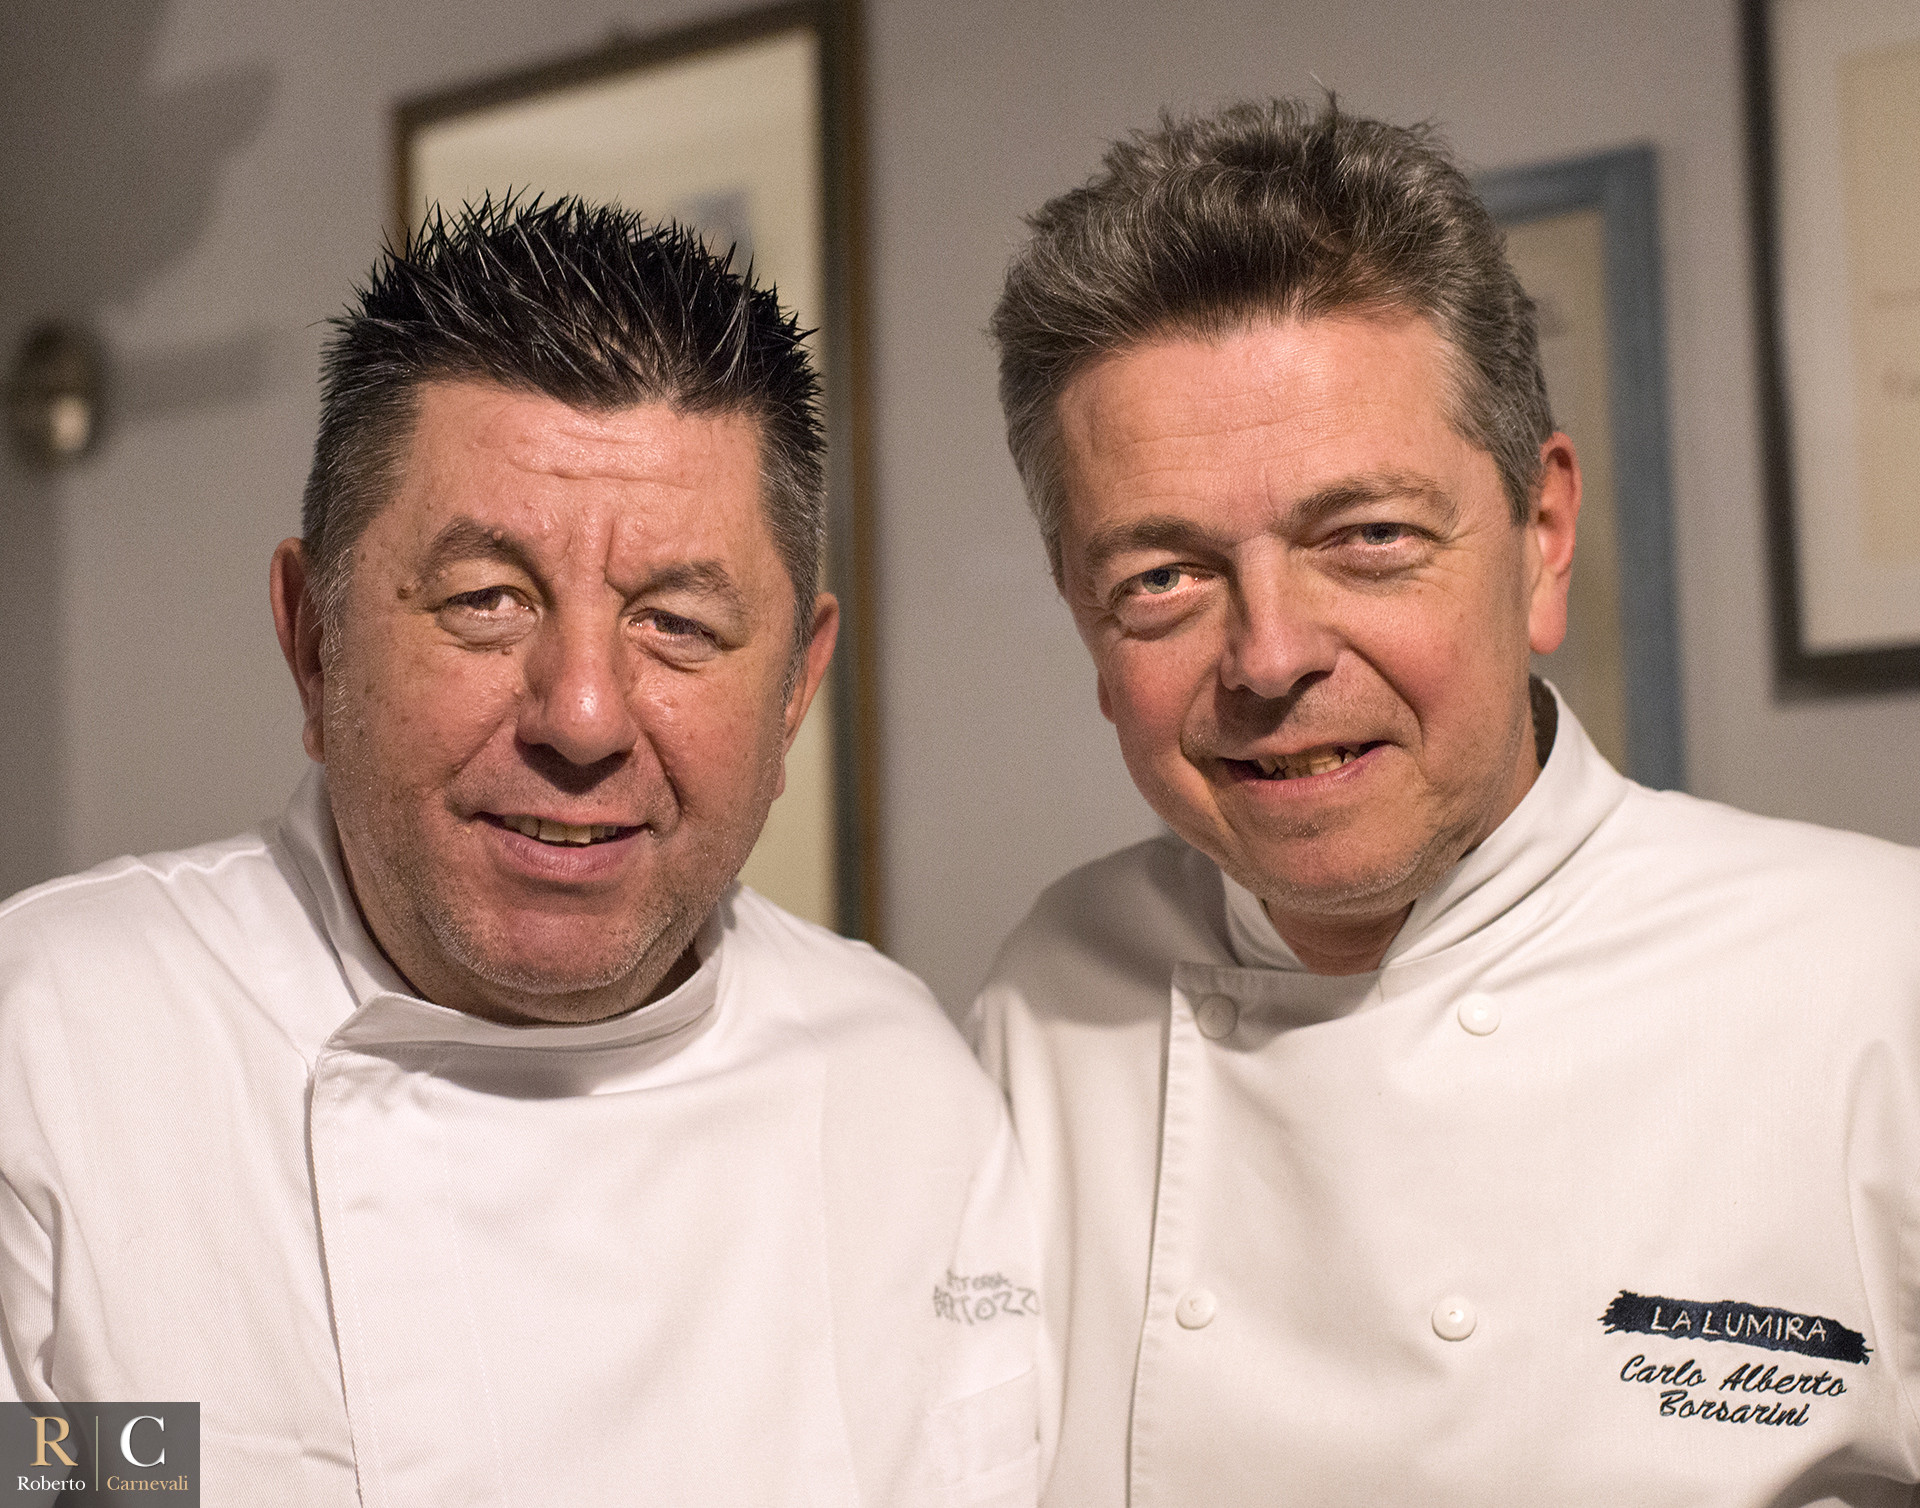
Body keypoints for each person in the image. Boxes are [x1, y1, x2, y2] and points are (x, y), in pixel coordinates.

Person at [0, 198, 1040, 1506]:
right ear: (313, 641)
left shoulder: (907, 1096)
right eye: (486, 601)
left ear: (792, 691)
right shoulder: (48, 1050)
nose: (584, 716)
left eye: (676, 621)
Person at [972, 100, 1920, 1506]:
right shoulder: (1051, 995)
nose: (1273, 656)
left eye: (1368, 538)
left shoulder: (1879, 976)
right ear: (1082, 622)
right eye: (1163, 576)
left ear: (1541, 536)